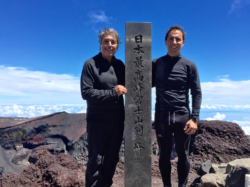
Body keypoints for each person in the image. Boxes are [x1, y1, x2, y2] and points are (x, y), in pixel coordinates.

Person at [152, 25, 202, 187]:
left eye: (178, 39)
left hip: (183, 116)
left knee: (183, 154)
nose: (174, 42)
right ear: (165, 42)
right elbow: (143, 85)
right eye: (171, 39)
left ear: (183, 42)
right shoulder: (156, 64)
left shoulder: (189, 65)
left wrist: (194, 118)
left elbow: (196, 92)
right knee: (164, 154)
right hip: (161, 116)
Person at [81, 27, 127, 187]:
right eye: (106, 41)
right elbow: (86, 93)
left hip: (117, 122)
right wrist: (113, 93)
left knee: (112, 159)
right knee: (96, 160)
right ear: (100, 43)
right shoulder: (90, 64)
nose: (109, 45)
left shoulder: (120, 65)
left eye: (113, 42)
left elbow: (134, 85)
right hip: (97, 122)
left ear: (117, 45)